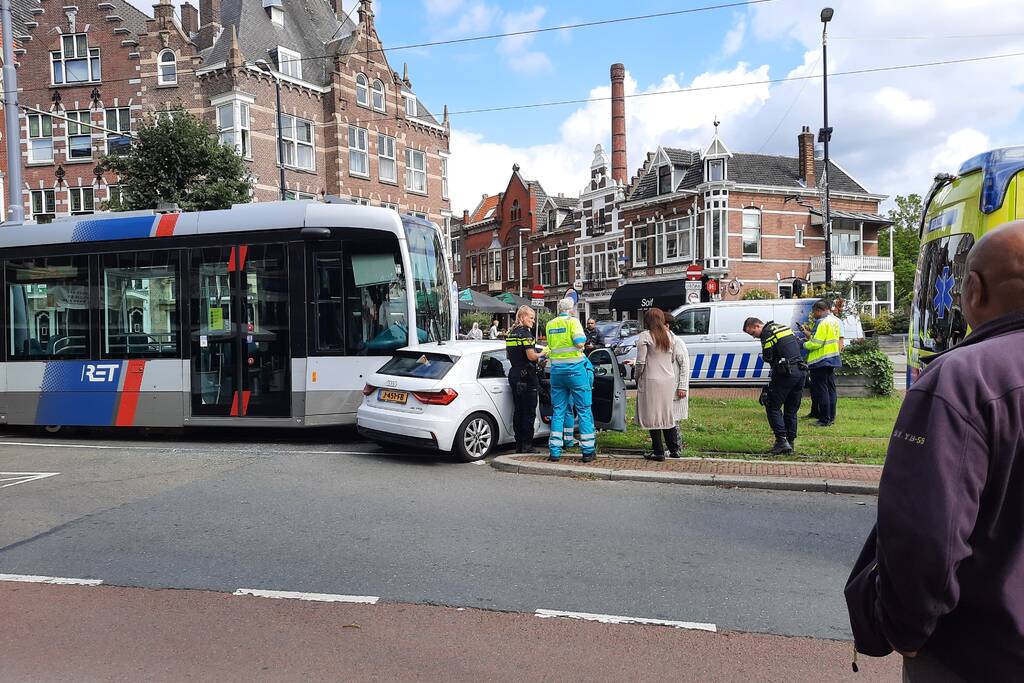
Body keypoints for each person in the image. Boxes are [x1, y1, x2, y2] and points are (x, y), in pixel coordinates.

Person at [845, 220, 1024, 681]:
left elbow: (925, 537)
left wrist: (905, 631)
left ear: (973, 290)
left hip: (979, 655)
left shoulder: (963, 379)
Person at [743, 316, 806, 455]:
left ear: (757, 326)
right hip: (800, 371)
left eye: (753, 333)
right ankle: (790, 442)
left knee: (771, 404)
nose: (754, 337)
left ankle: (781, 441)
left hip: (785, 373)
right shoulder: (783, 327)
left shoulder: (767, 333)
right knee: (791, 409)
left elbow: (768, 357)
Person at [543, 298, 595, 463]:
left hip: (557, 371)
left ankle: (555, 451)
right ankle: (588, 451)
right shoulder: (573, 322)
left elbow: (550, 347)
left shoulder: (550, 324)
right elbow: (580, 342)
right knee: (584, 409)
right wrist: (583, 344)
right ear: (571, 309)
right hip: (575, 370)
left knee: (558, 410)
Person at [635, 309, 687, 460]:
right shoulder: (669, 336)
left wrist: (637, 376)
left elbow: (641, 362)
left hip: (651, 379)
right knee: (666, 413)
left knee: (653, 415)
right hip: (668, 379)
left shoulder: (645, 336)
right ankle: (674, 449)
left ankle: (658, 451)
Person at [506, 306, 542, 454]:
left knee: (518, 411)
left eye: (533, 318)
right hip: (527, 377)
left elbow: (509, 356)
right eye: (530, 317)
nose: (533, 321)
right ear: (521, 318)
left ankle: (519, 444)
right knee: (529, 412)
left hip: (514, 374)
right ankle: (527, 446)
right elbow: (531, 356)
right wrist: (543, 353)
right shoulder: (526, 334)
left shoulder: (511, 333)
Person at [802, 300, 842, 427]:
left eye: (814, 312)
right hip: (832, 358)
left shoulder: (822, 322)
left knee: (822, 390)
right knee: (831, 389)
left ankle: (824, 419)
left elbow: (816, 343)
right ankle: (831, 417)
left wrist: (803, 343)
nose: (813, 315)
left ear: (819, 310)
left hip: (820, 360)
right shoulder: (834, 321)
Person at [666, 313, 690, 451]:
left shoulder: (677, 342)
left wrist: (682, 386)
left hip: (675, 388)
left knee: (673, 419)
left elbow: (685, 365)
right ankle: (673, 447)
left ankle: (676, 447)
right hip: (667, 387)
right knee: (669, 418)